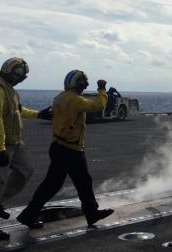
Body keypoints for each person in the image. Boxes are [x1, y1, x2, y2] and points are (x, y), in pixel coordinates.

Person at [17, 70, 114, 229]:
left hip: (57, 147)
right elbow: (98, 105)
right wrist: (102, 89)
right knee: (83, 182)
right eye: (83, 84)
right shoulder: (76, 100)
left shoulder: (59, 97)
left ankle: (28, 214)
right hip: (71, 149)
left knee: (51, 185)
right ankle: (91, 213)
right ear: (80, 85)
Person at [0, 57, 52, 241]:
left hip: (14, 142)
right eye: (18, 75)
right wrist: (0, 149)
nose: (19, 79)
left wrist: (38, 114)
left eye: (22, 77)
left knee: (26, 171)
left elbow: (17, 110)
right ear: (8, 70)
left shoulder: (9, 88)